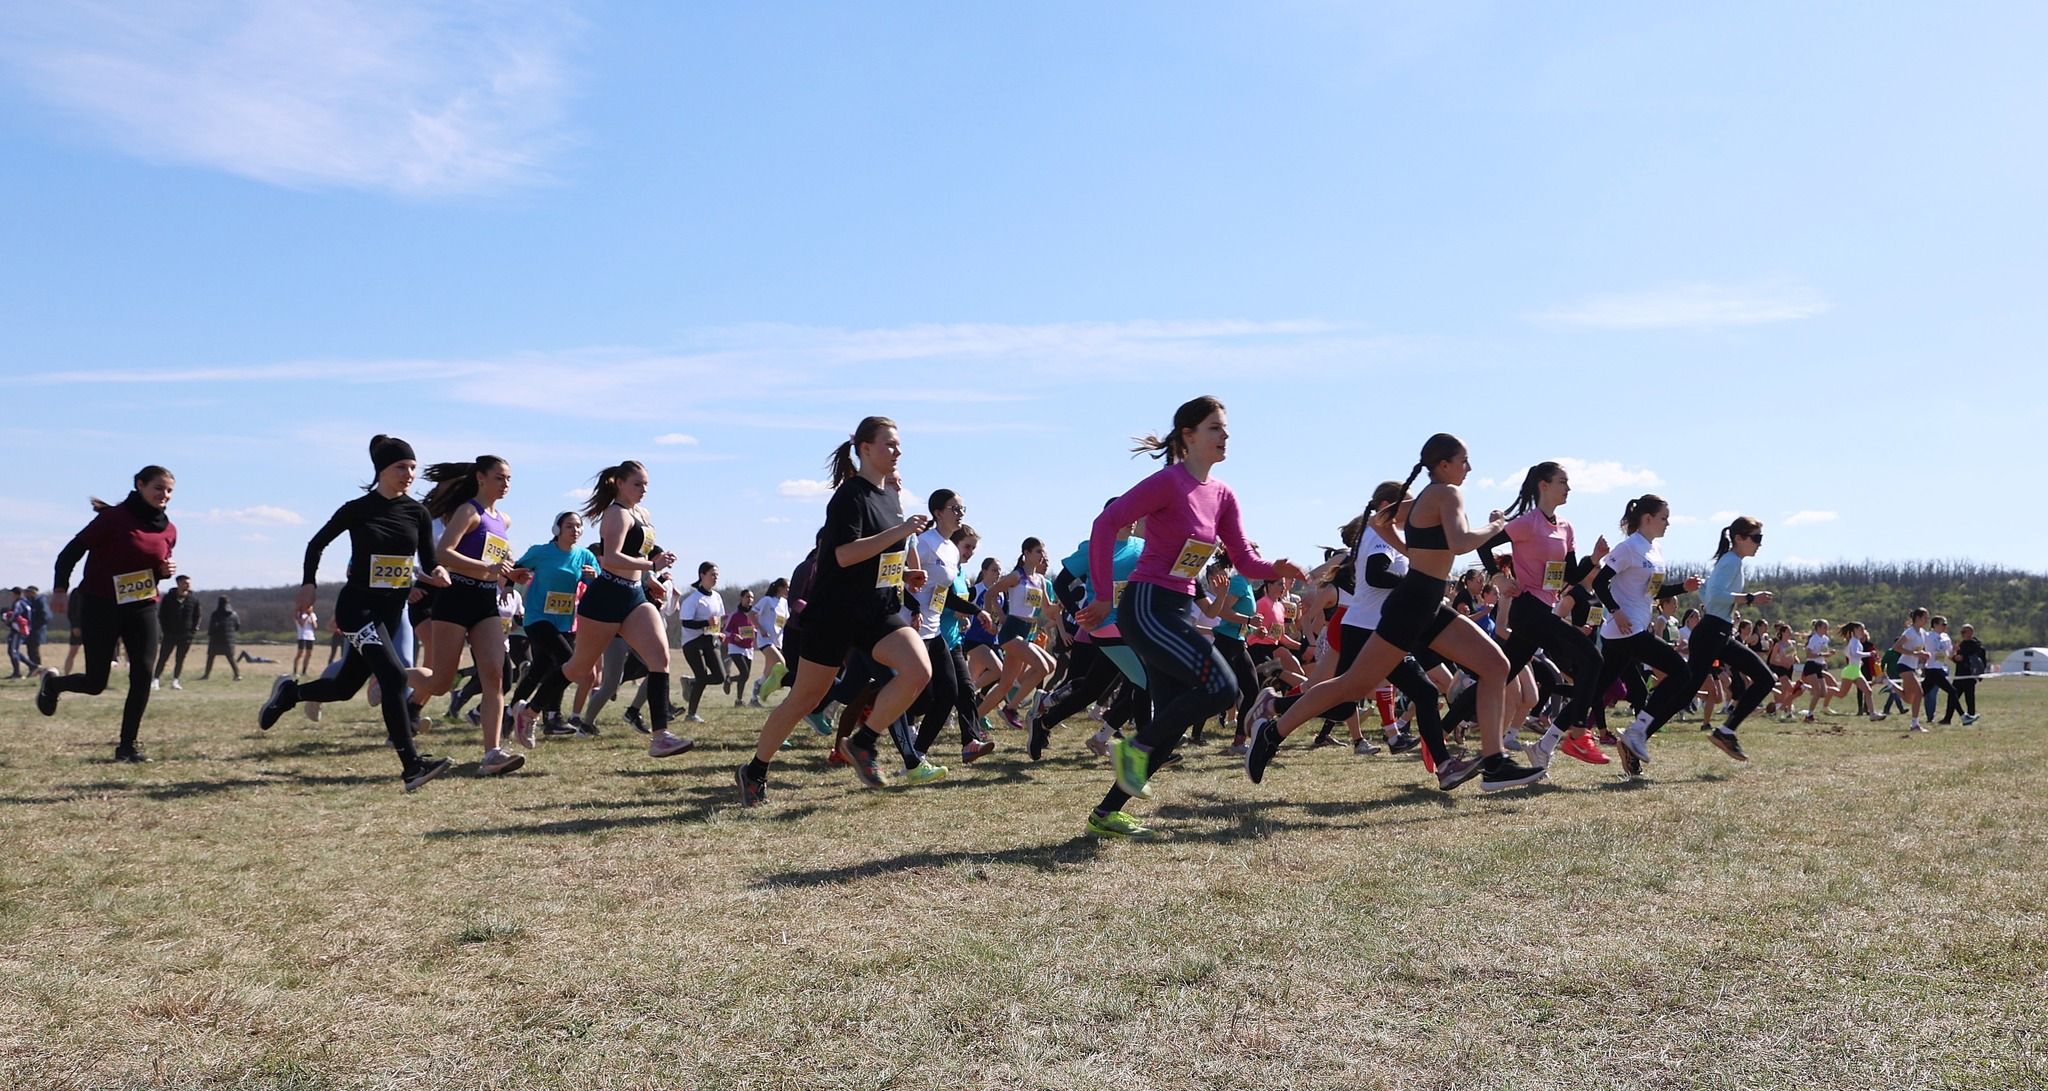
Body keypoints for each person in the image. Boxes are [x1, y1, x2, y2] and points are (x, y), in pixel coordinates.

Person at [1245, 433, 1543, 794]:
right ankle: (1271, 731)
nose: (1469, 468)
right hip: (1412, 604)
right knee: (1352, 686)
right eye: (1464, 460)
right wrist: (1496, 525)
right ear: (1443, 465)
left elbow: (1384, 526)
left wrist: (1410, 549)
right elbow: (1460, 542)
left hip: (1425, 602)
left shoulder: (1422, 500)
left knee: (1495, 665)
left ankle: (1495, 763)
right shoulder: (1447, 493)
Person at [1071, 396, 1307, 838]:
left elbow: (1244, 559)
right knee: (1223, 688)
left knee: (1172, 722)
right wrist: (1102, 596)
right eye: (1215, 427)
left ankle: (1106, 813)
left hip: (1177, 608)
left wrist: (1276, 567)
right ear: (1189, 435)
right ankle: (1133, 748)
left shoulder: (1222, 495)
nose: (1225, 435)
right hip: (1146, 605)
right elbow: (1106, 524)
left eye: (1225, 427)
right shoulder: (1168, 482)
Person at [736, 416, 935, 805]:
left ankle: (863, 742)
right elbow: (845, 555)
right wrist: (902, 531)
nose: (897, 451)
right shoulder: (850, 496)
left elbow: (876, 557)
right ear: (865, 449)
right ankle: (755, 770)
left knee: (918, 670)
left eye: (898, 444)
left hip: (877, 610)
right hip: (835, 613)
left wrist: (903, 574)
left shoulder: (891, 497)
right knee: (805, 700)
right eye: (889, 444)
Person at [255, 435, 453, 791]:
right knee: (393, 677)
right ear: (382, 470)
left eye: (412, 468)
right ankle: (412, 767)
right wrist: (309, 585)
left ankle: (289, 694)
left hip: (390, 612)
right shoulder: (358, 508)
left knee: (344, 687)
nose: (409, 474)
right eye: (401, 467)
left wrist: (437, 571)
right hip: (357, 608)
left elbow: (428, 559)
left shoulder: (417, 512)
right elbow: (316, 544)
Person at [518, 461, 695, 759]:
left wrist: (653, 575)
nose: (643, 489)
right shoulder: (616, 514)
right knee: (578, 668)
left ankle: (661, 736)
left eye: (646, 484)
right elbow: (611, 559)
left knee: (660, 658)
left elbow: (639, 550)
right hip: (607, 596)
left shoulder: (641, 514)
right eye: (637, 484)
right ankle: (529, 712)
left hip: (634, 595)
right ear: (619, 484)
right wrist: (652, 565)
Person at [37, 466, 179, 762]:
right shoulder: (113, 518)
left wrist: (164, 572)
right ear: (140, 485)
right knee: (95, 683)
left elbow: (154, 568)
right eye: (158, 488)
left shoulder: (169, 530)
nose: (164, 495)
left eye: (169, 490)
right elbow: (69, 554)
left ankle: (127, 747)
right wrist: (60, 590)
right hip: (100, 605)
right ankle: (53, 684)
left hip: (142, 605)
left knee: (143, 674)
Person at [406, 456, 525, 775]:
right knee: (441, 682)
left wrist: (512, 572)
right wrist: (487, 567)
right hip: (456, 596)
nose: (506, 484)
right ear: (480, 478)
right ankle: (389, 672)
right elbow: (442, 553)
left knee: (494, 675)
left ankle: (492, 754)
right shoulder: (467, 511)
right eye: (499, 477)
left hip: (486, 601)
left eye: (509, 478)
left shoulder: (503, 519)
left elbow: (497, 557)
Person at [1585, 494, 1704, 774]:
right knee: (1681, 673)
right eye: (1664, 518)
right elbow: (1600, 582)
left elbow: (1652, 591)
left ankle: (1546, 742)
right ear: (1648, 518)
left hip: (1632, 629)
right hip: (1626, 630)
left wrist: (1682, 588)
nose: (1668, 523)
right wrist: (1615, 611)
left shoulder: (1655, 550)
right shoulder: (1628, 547)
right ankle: (1637, 731)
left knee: (1596, 690)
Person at [1686, 516, 1779, 761]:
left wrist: (1707, 590)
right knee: (1685, 689)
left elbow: (1709, 594)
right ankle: (1638, 731)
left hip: (1719, 630)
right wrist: (1751, 598)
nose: (1760, 543)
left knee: (1765, 678)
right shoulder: (1732, 561)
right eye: (1756, 538)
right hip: (1713, 630)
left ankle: (1726, 732)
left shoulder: (1730, 561)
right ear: (1739, 538)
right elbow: (1716, 595)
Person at [509, 511, 599, 738]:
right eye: (569, 526)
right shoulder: (541, 552)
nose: (575, 530)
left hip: (565, 622)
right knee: (568, 661)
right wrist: (509, 588)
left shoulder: (585, 556)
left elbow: (597, 586)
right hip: (537, 618)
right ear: (557, 529)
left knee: (539, 668)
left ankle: (510, 714)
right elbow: (515, 570)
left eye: (578, 526)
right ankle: (549, 715)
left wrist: (594, 578)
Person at [675, 562, 725, 724]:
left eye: (717, 575)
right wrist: (706, 623)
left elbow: (718, 620)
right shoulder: (693, 599)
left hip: (710, 640)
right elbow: (686, 623)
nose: (715, 578)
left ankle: (690, 682)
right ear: (702, 576)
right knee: (702, 676)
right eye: (712, 574)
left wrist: (718, 632)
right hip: (692, 642)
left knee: (720, 677)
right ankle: (691, 714)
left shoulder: (717, 597)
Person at [152, 574, 200, 689]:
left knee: (180, 659)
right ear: (178, 583)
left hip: (186, 635)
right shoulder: (169, 598)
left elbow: (197, 616)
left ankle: (175, 681)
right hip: (170, 634)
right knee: (163, 657)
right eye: (185, 583)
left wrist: (193, 630)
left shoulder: (193, 599)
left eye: (189, 583)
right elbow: (162, 615)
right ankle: (155, 680)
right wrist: (165, 629)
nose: (187, 585)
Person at [1944, 623, 1985, 725]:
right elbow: (1955, 658)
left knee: (1969, 698)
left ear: (1970, 632)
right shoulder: (1960, 645)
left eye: (1964, 632)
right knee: (1952, 697)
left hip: (1969, 676)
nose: (1962, 634)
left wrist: (1965, 659)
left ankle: (1971, 717)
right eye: (1961, 632)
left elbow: (1979, 660)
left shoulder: (1976, 646)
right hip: (1959, 676)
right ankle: (1947, 718)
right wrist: (1955, 657)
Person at [201, 596, 241, 680]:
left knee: (211, 657)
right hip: (229, 639)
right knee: (230, 657)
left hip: (216, 639)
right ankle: (237, 674)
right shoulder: (234, 614)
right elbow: (237, 626)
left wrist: (210, 633)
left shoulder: (215, 614)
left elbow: (213, 626)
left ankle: (206, 675)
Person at [292, 602, 319, 676]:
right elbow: (302, 625)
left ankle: (304, 671)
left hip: (310, 637)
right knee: (300, 653)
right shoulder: (299, 614)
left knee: (308, 654)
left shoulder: (313, 615)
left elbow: (315, 626)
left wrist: (311, 617)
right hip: (302, 636)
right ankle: (295, 671)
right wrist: (307, 617)